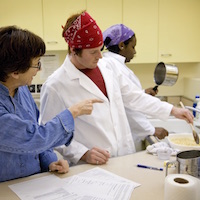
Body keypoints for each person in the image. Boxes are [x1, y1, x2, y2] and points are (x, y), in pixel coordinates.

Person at [39, 11, 193, 166]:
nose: (100, 56)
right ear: (74, 50)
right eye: (93, 52)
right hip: (91, 166)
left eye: (100, 49)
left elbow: (134, 97)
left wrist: (173, 110)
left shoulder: (108, 66)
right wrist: (82, 153)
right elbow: (48, 134)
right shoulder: (56, 85)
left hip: (125, 156)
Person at [0, 26, 102, 182]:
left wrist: (49, 161)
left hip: (34, 184)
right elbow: (34, 138)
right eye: (36, 64)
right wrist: (72, 112)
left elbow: (37, 129)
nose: (38, 70)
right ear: (15, 72)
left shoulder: (22, 90)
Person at [102, 24, 168, 151]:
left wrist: (142, 93)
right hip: (123, 137)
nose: (135, 51)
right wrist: (151, 130)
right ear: (122, 45)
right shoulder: (113, 66)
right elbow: (128, 107)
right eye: (133, 47)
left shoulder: (112, 64)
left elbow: (125, 96)